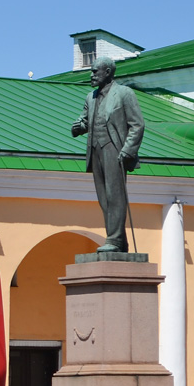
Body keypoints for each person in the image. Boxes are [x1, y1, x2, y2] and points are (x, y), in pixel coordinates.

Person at [70, 56, 145, 253]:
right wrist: (79, 127)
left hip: (115, 149)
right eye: (92, 71)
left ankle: (113, 239)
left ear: (108, 72)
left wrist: (128, 150)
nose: (91, 75)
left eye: (95, 71)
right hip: (95, 150)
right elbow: (87, 120)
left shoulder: (124, 93)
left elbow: (137, 125)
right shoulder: (91, 97)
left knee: (115, 196)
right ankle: (119, 241)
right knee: (104, 198)